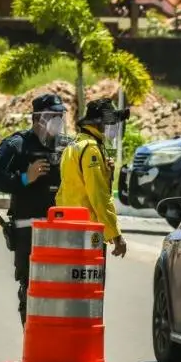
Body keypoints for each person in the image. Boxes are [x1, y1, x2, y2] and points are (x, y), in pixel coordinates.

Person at [0, 93, 69, 325]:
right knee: (31, 287)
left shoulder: (66, 147)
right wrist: (24, 178)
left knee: (60, 289)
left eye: (60, 116)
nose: (58, 121)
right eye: (52, 115)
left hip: (60, 229)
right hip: (28, 229)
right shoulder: (17, 144)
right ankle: (31, 344)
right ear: (37, 118)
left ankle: (55, 345)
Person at [56, 97, 128, 258]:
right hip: (87, 231)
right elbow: (99, 195)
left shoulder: (74, 145)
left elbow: (64, 190)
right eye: (108, 122)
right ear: (98, 123)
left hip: (70, 227)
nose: (110, 126)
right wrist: (116, 235)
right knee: (89, 282)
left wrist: (106, 173)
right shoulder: (91, 149)